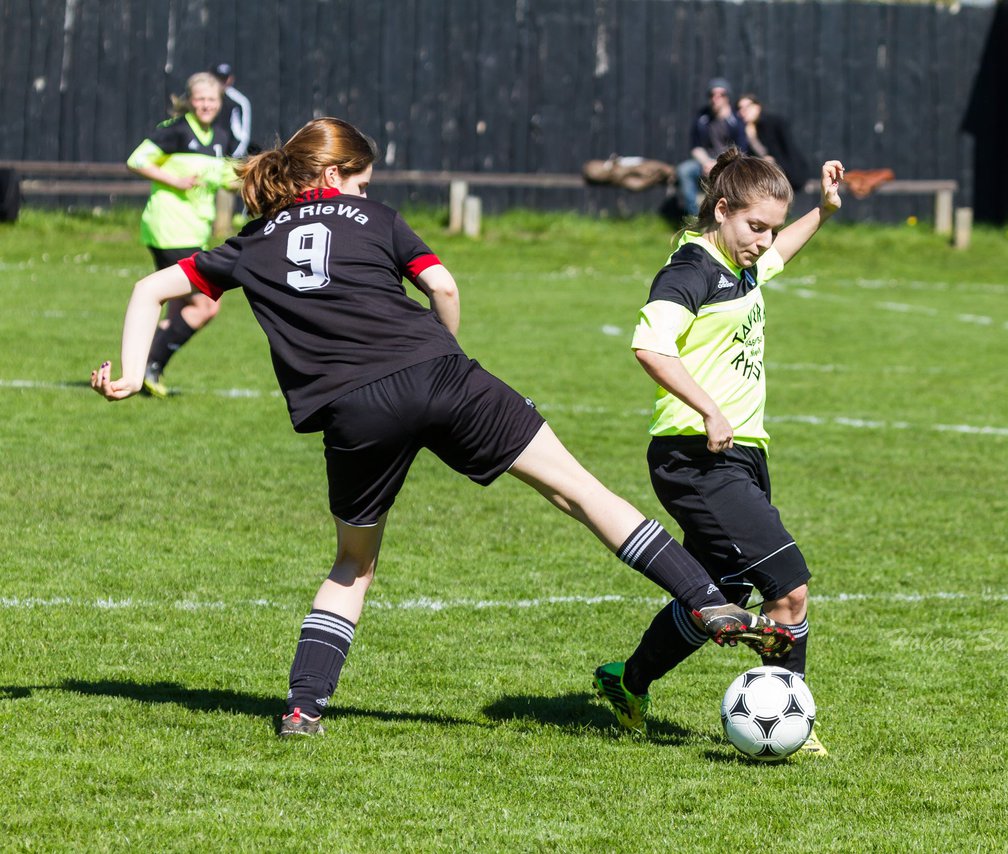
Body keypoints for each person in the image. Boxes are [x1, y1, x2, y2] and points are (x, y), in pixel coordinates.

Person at [91, 118, 794, 738]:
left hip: (353, 410)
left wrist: (128, 373)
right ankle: (703, 596)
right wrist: (447, 353)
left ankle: (304, 707)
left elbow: (148, 289)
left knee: (353, 565)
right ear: (335, 177)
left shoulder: (249, 245)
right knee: (578, 491)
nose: (366, 194)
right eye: (361, 182)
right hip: (443, 375)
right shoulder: (376, 220)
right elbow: (444, 286)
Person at [592, 149, 845, 756]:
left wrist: (825, 211)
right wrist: (708, 407)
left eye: (772, 229)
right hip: (696, 454)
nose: (765, 241)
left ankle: (627, 682)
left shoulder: (745, 264)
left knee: (723, 596)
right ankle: (793, 720)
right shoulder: (691, 269)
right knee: (789, 587)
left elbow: (781, 252)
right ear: (723, 210)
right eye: (756, 226)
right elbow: (650, 347)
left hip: (740, 453)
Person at [126, 71, 239, 397]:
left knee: (180, 310)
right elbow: (136, 160)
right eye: (200, 99)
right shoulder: (174, 132)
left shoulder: (219, 136)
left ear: (220, 103)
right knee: (206, 306)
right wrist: (172, 180)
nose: (206, 105)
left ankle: (147, 369)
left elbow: (226, 177)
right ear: (189, 101)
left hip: (194, 231)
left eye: (212, 100)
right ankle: (150, 363)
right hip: (169, 229)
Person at [675, 78, 749, 217]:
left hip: (729, 163)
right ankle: (696, 217)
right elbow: (696, 147)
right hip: (705, 162)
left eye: (721, 94)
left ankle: (729, 216)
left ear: (728, 97)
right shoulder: (702, 118)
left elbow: (741, 150)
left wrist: (719, 163)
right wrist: (706, 162)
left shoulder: (736, 121)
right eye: (712, 95)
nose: (716, 98)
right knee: (684, 170)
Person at [736, 93, 807, 194]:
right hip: (769, 182)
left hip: (789, 177)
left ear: (757, 107)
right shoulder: (744, 130)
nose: (742, 112)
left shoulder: (774, 123)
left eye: (747, 107)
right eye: (740, 108)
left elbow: (788, 152)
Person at [211, 61, 253, 159]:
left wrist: (229, 161)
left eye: (223, 79)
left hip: (226, 161)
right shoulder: (200, 98)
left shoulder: (237, 102)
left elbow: (242, 138)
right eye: (217, 78)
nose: (220, 82)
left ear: (230, 79)